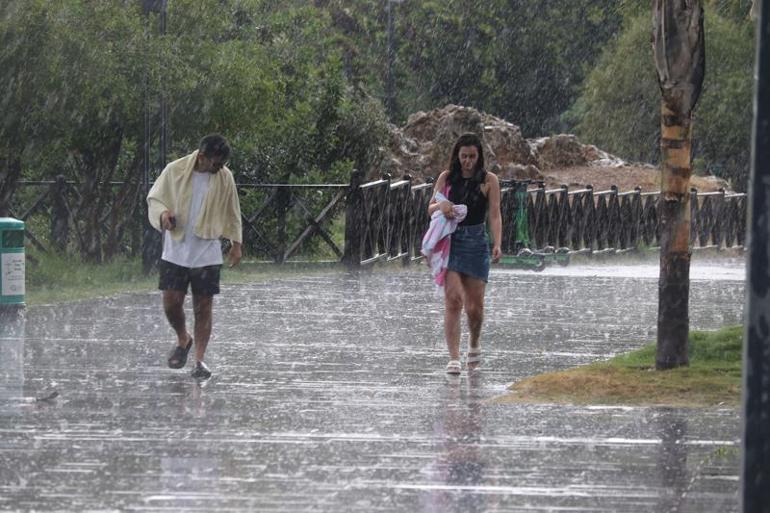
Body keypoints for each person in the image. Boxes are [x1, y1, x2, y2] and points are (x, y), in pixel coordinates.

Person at [147, 134, 242, 379]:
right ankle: (183, 338)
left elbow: (232, 210)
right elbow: (155, 198)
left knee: (203, 307)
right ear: (202, 157)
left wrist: (236, 243)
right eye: (216, 163)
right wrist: (163, 215)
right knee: (171, 303)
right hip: (176, 249)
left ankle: (199, 360)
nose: (219, 168)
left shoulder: (225, 178)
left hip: (207, 253)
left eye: (222, 164)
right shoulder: (174, 170)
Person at [427, 133, 502, 374]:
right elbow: (430, 208)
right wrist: (442, 205)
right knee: (452, 301)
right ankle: (453, 358)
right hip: (451, 241)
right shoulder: (447, 178)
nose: (467, 161)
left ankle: (474, 342)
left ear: (479, 157)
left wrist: (497, 242)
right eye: (463, 157)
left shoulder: (489, 180)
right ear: (457, 157)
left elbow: (494, 213)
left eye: (472, 156)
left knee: (474, 308)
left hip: (476, 241)